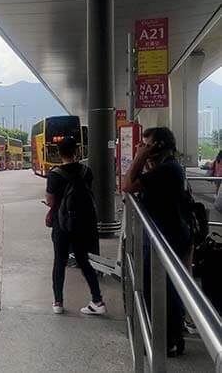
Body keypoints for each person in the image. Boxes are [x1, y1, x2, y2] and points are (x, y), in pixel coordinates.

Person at [122, 127, 191, 357]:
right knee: (162, 287)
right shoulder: (167, 167)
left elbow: (128, 185)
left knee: (162, 289)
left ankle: (169, 339)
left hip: (167, 236)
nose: (141, 148)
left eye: (146, 144)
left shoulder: (169, 169)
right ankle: (168, 335)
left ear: (159, 145)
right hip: (165, 234)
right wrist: (146, 158)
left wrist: (140, 157)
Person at [45, 136, 105, 315]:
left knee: (59, 262)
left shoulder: (54, 174)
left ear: (58, 153)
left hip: (62, 224)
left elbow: (50, 200)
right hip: (83, 224)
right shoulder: (87, 171)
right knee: (84, 261)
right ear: (77, 151)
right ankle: (97, 300)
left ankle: (58, 302)